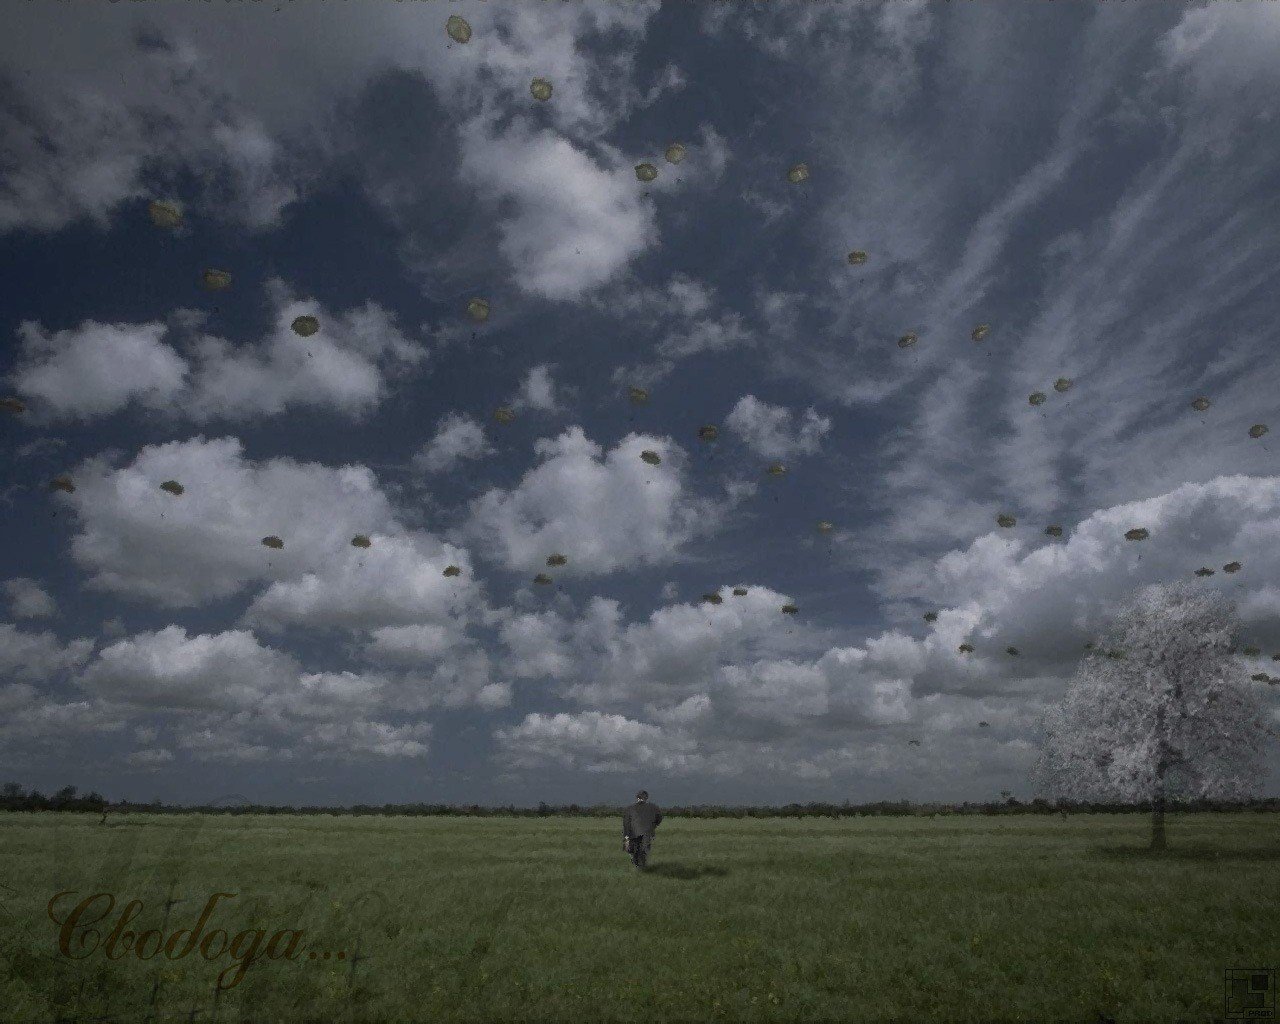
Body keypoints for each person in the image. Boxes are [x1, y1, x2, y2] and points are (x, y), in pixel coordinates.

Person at [622, 790, 663, 869]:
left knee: (634, 850)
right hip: (647, 832)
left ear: (637, 798)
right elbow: (659, 818)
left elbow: (626, 825)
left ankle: (638, 865)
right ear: (646, 798)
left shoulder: (629, 809)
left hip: (633, 833)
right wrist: (653, 826)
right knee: (643, 850)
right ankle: (641, 866)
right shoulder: (653, 807)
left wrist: (626, 838)